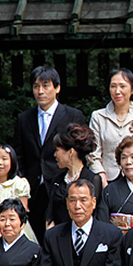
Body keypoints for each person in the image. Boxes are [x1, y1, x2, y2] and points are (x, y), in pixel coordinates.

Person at [12, 65, 87, 239]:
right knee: (35, 236)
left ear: (57, 88)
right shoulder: (24, 119)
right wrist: (23, 180)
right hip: (32, 188)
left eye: (46, 86)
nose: (40, 91)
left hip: (62, 184)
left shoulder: (73, 115)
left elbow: (81, 152)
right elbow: (19, 154)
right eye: (36, 86)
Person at [88, 68, 133, 185]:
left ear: (132, 89)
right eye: (113, 86)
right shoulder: (98, 116)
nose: (117, 91)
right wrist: (101, 177)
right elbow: (93, 154)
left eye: (122, 86)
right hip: (107, 179)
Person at [47, 123, 106, 228]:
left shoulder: (93, 179)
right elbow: (50, 212)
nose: (55, 155)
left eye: (57, 150)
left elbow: (96, 215)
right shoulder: (58, 178)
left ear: (70, 152)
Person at [101, 136, 133, 234]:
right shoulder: (110, 191)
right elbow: (102, 225)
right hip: (117, 244)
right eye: (124, 157)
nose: (128, 162)